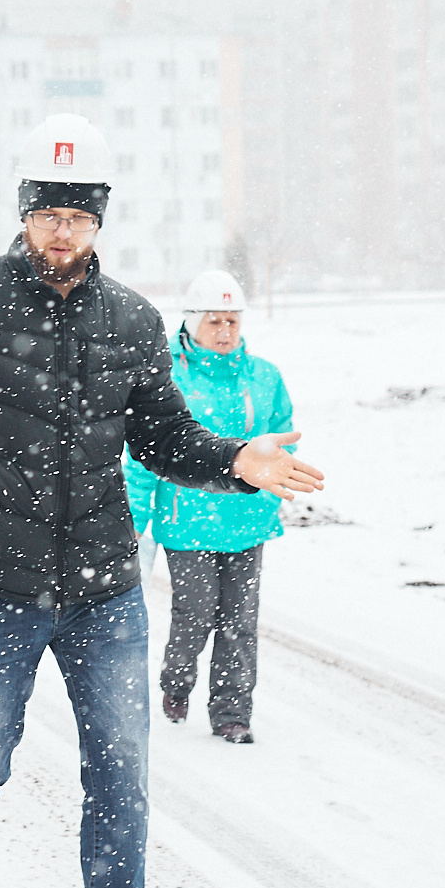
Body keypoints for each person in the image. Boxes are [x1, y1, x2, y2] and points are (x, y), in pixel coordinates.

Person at [0, 115, 322, 888]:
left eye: (79, 213)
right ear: (24, 211)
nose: (63, 229)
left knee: (121, 780)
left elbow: (161, 432)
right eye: (48, 210)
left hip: (105, 591)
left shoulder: (130, 319)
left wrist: (235, 458)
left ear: (100, 219)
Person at [125, 270, 294, 745]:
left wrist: (279, 481)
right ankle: (176, 685)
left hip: (248, 520)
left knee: (241, 622)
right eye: (214, 321)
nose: (224, 331)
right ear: (192, 322)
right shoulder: (168, 376)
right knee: (194, 615)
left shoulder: (264, 377)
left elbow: (282, 435)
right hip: (187, 522)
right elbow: (141, 455)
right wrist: (136, 518)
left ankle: (232, 714)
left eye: (232, 322)